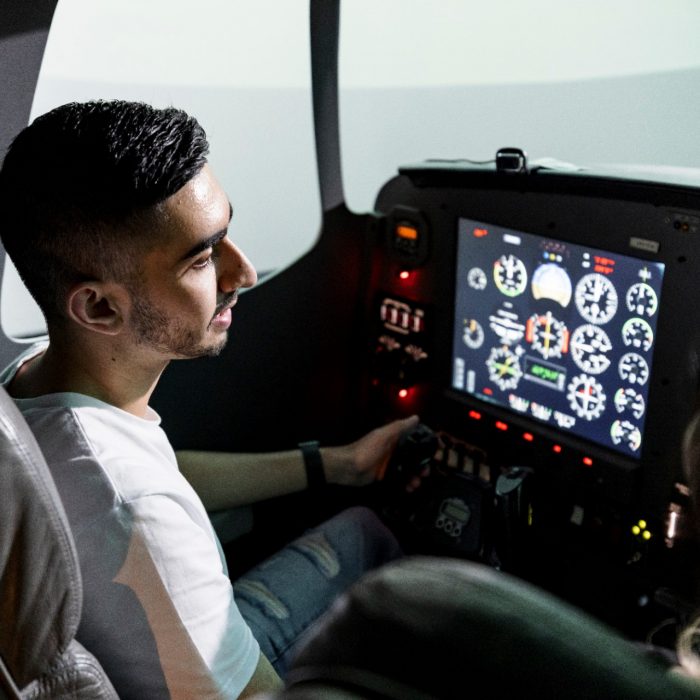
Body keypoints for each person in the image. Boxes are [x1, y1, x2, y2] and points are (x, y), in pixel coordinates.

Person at [0, 100, 417, 699]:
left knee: (361, 526)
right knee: (391, 561)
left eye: (226, 234)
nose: (242, 272)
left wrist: (335, 464)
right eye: (202, 257)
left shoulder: (33, 382)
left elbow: (163, 472)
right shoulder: (135, 510)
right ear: (98, 307)